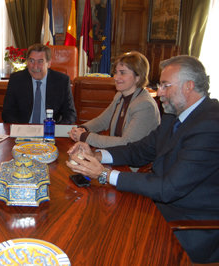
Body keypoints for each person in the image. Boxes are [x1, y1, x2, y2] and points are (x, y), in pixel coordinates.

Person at [66, 55, 219, 263]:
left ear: (188, 86)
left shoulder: (210, 125)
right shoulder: (173, 116)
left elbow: (168, 188)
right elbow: (140, 150)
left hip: (187, 224)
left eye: (165, 86)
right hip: (157, 204)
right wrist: (97, 155)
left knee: (108, 239)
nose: (160, 93)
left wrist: (104, 174)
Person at [69, 51, 160, 148]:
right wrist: (82, 128)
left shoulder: (144, 105)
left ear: (138, 77)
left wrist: (85, 137)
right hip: (117, 155)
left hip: (136, 161)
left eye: (122, 73)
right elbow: (102, 121)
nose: (116, 77)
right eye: (115, 72)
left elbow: (127, 143)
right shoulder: (120, 95)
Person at [2, 43, 77, 124]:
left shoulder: (61, 81)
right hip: (23, 130)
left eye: (40, 61)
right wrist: (20, 128)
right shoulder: (16, 80)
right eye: (31, 61)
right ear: (27, 62)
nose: (35, 66)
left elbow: (70, 114)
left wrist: (55, 129)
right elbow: (7, 113)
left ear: (49, 63)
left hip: (50, 131)